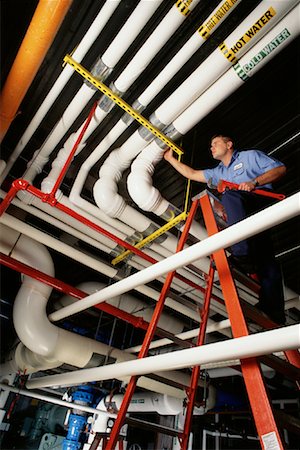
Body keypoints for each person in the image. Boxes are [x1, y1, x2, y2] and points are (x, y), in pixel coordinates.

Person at [164, 134, 287, 324]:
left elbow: (280, 169)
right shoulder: (218, 172)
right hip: (245, 213)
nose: (211, 147)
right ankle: (274, 310)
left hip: (261, 199)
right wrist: (170, 159)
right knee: (266, 258)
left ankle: (241, 254)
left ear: (229, 144)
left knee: (230, 196)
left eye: (215, 143)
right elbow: (193, 174)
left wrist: (254, 182)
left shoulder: (249, 156)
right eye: (210, 145)